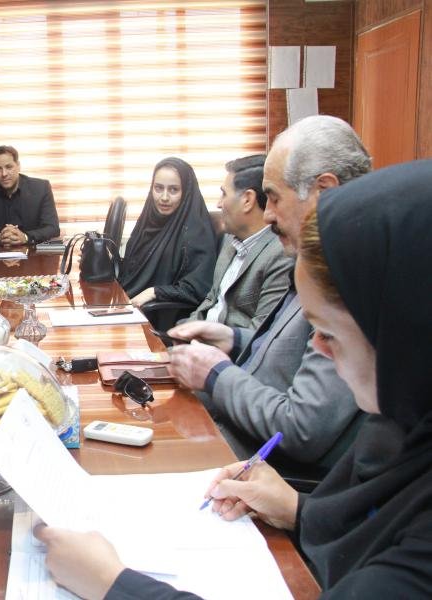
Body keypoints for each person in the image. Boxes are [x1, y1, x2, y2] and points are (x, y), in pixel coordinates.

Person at [34, 160, 432, 598]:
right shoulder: (403, 429)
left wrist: (113, 583)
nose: (316, 347)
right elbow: (368, 533)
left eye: (329, 332)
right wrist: (299, 512)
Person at [167, 116, 369, 478]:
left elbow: (302, 429)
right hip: (229, 434)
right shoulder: (314, 261)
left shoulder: (350, 282)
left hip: (259, 468)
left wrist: (215, 374)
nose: (268, 214)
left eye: (274, 197)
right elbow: (291, 357)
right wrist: (234, 338)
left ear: (323, 191)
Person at [186, 154, 291, 329]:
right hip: (198, 339)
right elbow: (211, 300)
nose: (219, 204)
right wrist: (180, 332)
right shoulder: (230, 239)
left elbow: (262, 334)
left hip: (227, 345)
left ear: (247, 200)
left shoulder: (280, 254)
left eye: (224, 194)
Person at [118, 157, 217, 330]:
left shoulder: (196, 232)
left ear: (186, 192)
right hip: (133, 310)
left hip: (166, 322)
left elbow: (197, 289)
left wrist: (154, 292)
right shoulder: (148, 222)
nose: (164, 197)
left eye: (173, 190)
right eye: (158, 188)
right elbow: (134, 269)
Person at [0, 145, 60, 246]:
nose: (4, 174)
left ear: (18, 166)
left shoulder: (41, 188)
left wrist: (26, 237)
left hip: (32, 252)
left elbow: (52, 228)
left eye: (9, 167)